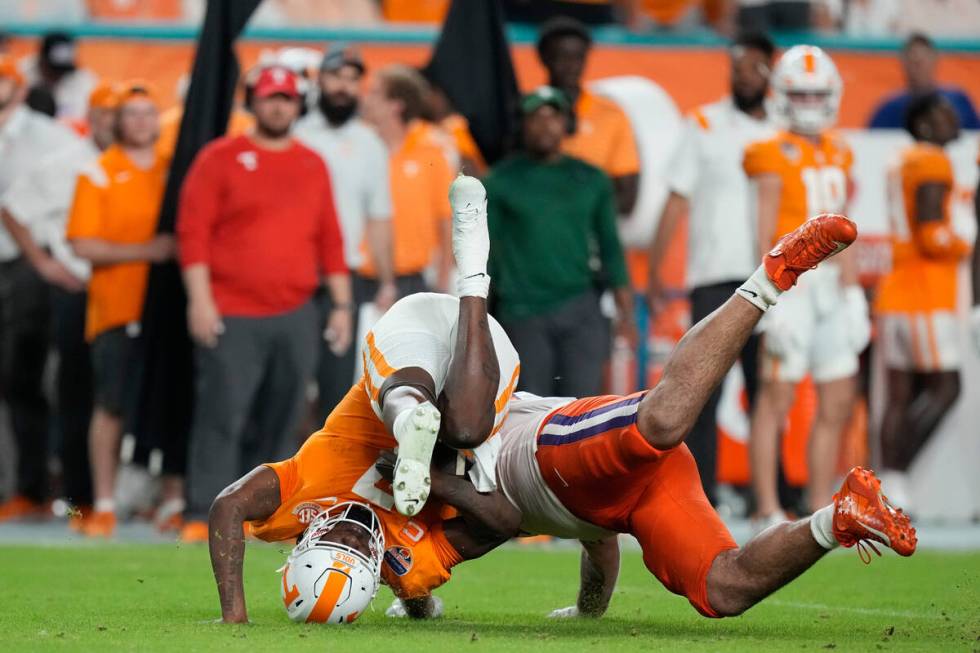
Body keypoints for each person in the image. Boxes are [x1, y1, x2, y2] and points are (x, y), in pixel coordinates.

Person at [391, 215, 916, 623]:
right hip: (621, 496)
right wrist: (587, 610)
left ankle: (774, 274)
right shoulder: (434, 506)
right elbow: (595, 536)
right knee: (722, 591)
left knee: (660, 425)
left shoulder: (450, 437)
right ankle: (839, 517)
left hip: (547, 443)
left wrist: (415, 590)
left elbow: (479, 524)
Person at [204, 176, 520, 623]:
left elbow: (227, 506)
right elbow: (505, 521)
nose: (352, 533)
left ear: (306, 542)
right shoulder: (409, 567)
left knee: (410, 404)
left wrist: (233, 615)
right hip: (478, 370)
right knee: (465, 427)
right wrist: (439, 483)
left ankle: (409, 417)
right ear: (376, 571)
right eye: (356, 550)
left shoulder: (292, 505)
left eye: (335, 539)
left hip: (407, 346)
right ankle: (472, 272)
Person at [176, 66, 352, 543]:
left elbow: (330, 239)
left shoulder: (312, 164)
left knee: (285, 414)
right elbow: (193, 235)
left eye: (288, 99)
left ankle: (264, 515)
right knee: (222, 412)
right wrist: (200, 301)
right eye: (271, 97)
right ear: (252, 102)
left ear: (299, 106)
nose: (279, 106)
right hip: (232, 309)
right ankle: (202, 512)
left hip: (296, 311)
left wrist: (340, 305)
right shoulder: (219, 158)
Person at [742, 45, 870, 528]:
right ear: (781, 95)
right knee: (776, 396)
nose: (811, 104)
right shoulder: (766, 150)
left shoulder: (840, 148)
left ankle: (820, 508)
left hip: (834, 285)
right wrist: (770, 294)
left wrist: (855, 289)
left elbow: (847, 224)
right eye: (801, 94)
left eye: (818, 95)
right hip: (791, 283)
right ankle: (767, 508)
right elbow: (763, 229)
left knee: (838, 398)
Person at [646, 31, 776, 504]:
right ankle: (699, 489)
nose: (745, 76)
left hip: (775, 275)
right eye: (737, 66)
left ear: (770, 72)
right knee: (702, 389)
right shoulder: (703, 122)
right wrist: (658, 268)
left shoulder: (786, 126)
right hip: (716, 275)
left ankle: (776, 493)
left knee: (770, 389)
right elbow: (677, 198)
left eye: (754, 67)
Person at [0, 82, 119, 527]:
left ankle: (108, 498)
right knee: (71, 392)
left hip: (123, 290)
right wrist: (44, 265)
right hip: (74, 288)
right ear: (93, 117)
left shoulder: (138, 164)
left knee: (111, 397)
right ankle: (75, 500)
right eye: (105, 114)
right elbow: (11, 208)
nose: (113, 123)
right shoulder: (67, 162)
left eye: (120, 114)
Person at [66, 82, 175, 537]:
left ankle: (172, 501)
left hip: (166, 309)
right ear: (117, 121)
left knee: (172, 404)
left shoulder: (173, 171)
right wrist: (150, 251)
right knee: (109, 407)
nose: (141, 121)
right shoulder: (98, 172)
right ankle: (106, 502)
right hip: (116, 308)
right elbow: (83, 243)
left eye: (149, 112)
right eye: (132, 113)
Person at [486, 86, 635, 398]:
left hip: (580, 306)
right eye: (536, 118)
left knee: (582, 407)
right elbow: (486, 256)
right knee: (530, 408)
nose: (545, 125)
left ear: (567, 124)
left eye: (554, 116)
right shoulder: (501, 181)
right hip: (521, 310)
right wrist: (480, 320)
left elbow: (611, 247)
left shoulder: (591, 179)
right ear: (523, 125)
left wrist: (626, 313)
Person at [294, 44, 396, 423]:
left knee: (336, 386)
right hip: (295, 276)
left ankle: (324, 476)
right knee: (290, 381)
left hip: (345, 278)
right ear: (320, 79)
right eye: (337, 76)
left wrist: (386, 279)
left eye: (353, 79)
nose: (343, 86)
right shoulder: (297, 134)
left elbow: (380, 215)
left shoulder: (370, 144)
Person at [876, 93, 969, 509]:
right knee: (947, 387)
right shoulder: (932, 161)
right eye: (943, 113)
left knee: (900, 395)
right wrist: (964, 242)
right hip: (926, 291)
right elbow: (934, 236)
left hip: (897, 287)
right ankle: (891, 479)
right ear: (925, 125)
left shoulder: (900, 160)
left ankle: (889, 481)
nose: (954, 119)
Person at [0, 54, 83, 522]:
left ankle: (36, 486)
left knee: (25, 378)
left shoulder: (49, 137)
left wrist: (46, 262)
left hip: (21, 269)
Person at [359, 64, 454, 295]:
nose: (365, 99)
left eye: (374, 93)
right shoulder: (356, 149)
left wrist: (443, 282)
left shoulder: (432, 152)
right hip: (360, 279)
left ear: (396, 105)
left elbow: (446, 221)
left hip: (412, 281)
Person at [535, 16, 640, 215]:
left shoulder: (612, 115)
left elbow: (627, 197)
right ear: (545, 58)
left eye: (578, 57)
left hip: (588, 236)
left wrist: (577, 217)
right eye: (562, 56)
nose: (571, 66)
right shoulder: (527, 113)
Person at [868, 33, 980, 130]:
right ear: (902, 63)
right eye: (913, 62)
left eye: (922, 62)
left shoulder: (957, 100)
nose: (918, 68)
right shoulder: (888, 109)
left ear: (935, 60)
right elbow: (874, 144)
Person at [21, 32, 98, 121]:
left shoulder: (83, 81)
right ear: (41, 60)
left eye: (62, 71)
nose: (58, 76)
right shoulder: (21, 73)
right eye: (53, 70)